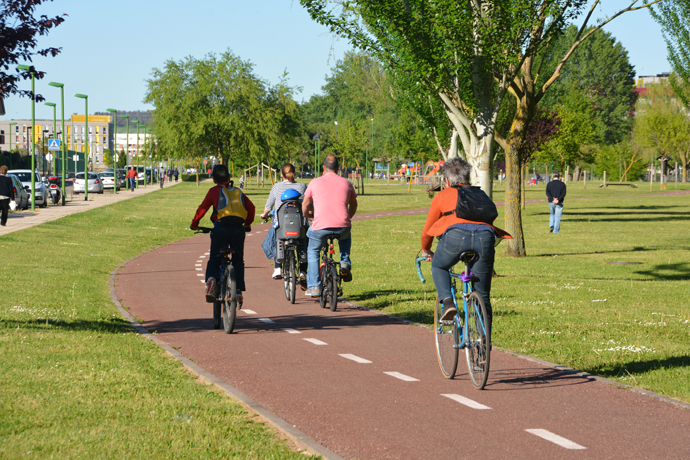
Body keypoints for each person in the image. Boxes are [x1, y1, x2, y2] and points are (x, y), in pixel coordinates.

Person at [420, 157, 511, 328]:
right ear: (467, 177)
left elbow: (428, 230)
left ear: (446, 180)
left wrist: (426, 250)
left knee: (439, 266)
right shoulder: (481, 193)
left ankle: (447, 303)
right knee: (482, 296)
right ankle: (484, 344)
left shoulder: (444, 194)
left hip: (455, 237)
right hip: (486, 238)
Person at [191, 164, 255, 305]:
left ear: (214, 179)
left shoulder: (213, 191)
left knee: (214, 257)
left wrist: (194, 223)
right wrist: (247, 224)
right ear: (229, 177)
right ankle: (237, 291)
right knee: (238, 260)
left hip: (220, 228)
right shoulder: (237, 191)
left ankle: (212, 281)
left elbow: (203, 208)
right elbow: (251, 208)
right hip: (238, 229)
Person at [302, 155, 358, 297]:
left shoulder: (314, 183)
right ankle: (344, 263)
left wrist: (308, 215)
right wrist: (347, 218)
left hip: (320, 226)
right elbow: (354, 204)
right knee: (345, 238)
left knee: (313, 250)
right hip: (342, 226)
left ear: (323, 168)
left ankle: (314, 286)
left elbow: (305, 204)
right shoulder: (346, 183)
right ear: (338, 168)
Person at [260, 163, 308, 283]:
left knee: (275, 238)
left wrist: (264, 215)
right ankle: (303, 271)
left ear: (282, 175)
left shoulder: (276, 187)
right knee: (304, 241)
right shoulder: (302, 186)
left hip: (281, 224)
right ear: (294, 173)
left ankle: (277, 268)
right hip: (299, 223)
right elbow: (308, 205)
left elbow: (269, 205)